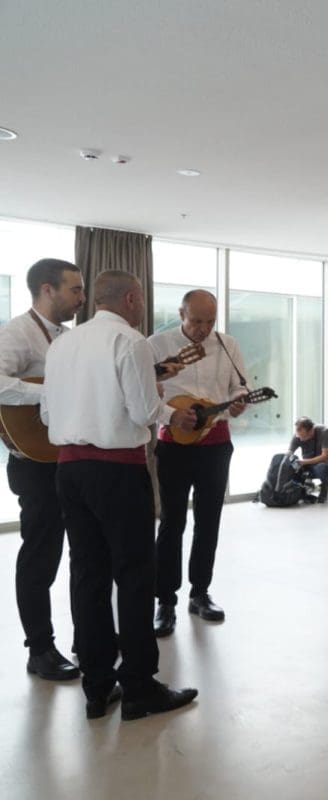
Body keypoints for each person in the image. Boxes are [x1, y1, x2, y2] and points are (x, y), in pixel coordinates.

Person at [41, 270, 199, 721]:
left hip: (69, 470)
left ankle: (96, 686)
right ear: (131, 298)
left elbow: (48, 412)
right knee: (133, 577)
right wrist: (168, 410)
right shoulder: (131, 342)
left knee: (87, 575)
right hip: (117, 470)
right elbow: (143, 410)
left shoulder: (61, 344)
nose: (142, 306)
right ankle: (139, 687)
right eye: (142, 299)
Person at [0, 258, 85, 681]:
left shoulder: (70, 339)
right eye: (75, 289)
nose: (81, 298)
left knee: (84, 550)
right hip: (33, 463)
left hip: (69, 455)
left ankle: (88, 636)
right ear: (47, 289)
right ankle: (40, 648)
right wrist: (49, 393)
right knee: (41, 555)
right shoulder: (17, 333)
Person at [148, 289, 248, 637]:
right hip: (173, 444)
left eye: (210, 321)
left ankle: (200, 593)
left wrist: (239, 401)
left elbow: (239, 387)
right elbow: (144, 392)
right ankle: (164, 600)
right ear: (181, 314)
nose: (204, 329)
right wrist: (172, 414)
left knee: (209, 521)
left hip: (216, 445)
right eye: (196, 321)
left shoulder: (228, 345)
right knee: (171, 522)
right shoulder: (157, 344)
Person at [288, 417, 328, 503]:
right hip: (308, 464)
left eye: (303, 437)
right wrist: (288, 460)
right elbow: (289, 452)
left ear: (311, 431)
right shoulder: (298, 434)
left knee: (322, 467)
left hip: (327, 464)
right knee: (292, 465)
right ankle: (300, 489)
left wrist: (303, 462)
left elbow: (325, 456)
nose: (300, 439)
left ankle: (325, 486)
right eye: (299, 436)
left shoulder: (325, 432)